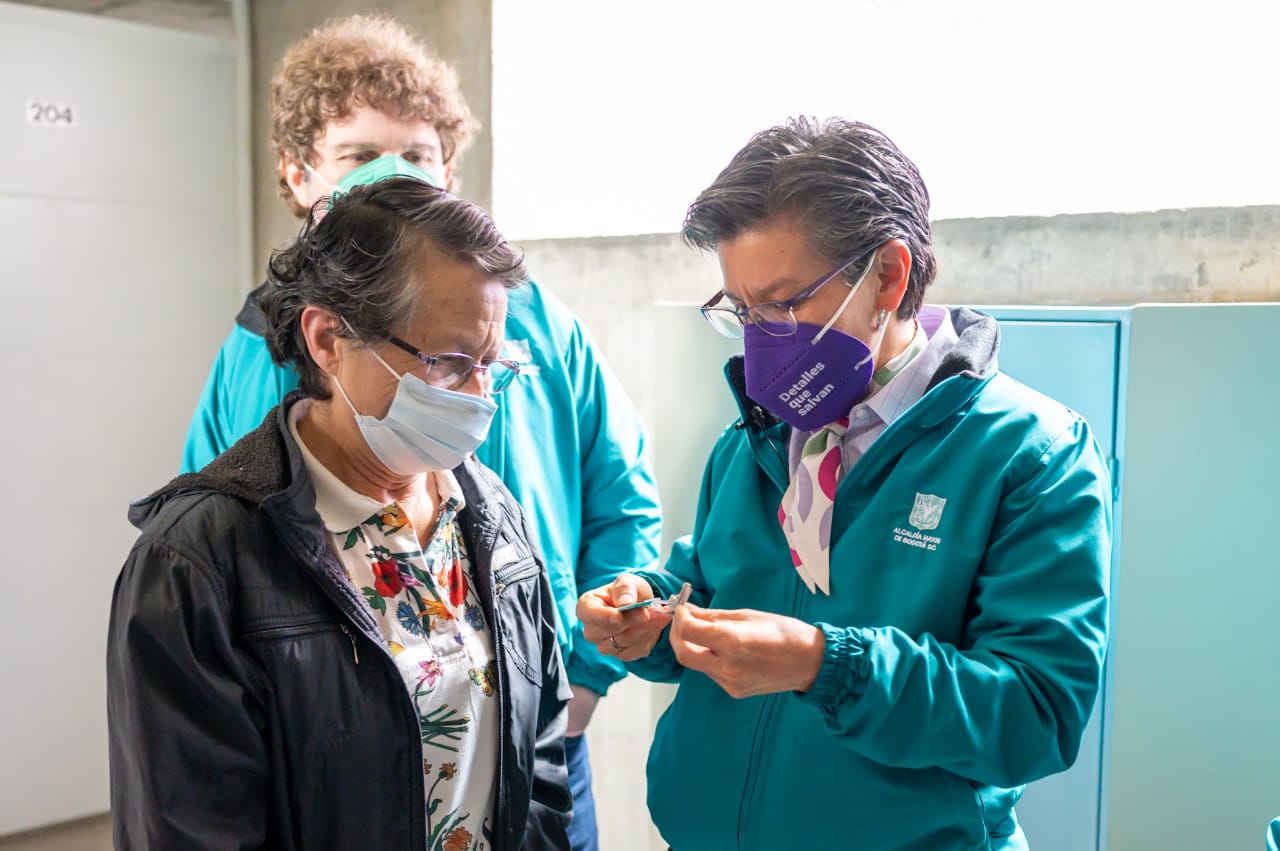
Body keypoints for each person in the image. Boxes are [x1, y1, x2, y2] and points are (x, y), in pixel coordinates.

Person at [179, 16, 661, 848]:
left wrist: (578, 685)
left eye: (420, 154)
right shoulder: (256, 348)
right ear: (299, 177)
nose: (395, 175)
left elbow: (625, 498)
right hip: (346, 765)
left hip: (533, 735)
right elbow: (210, 558)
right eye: (359, 156)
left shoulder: (539, 328)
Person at [578, 117, 1112, 849]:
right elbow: (707, 584)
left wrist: (826, 665)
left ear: (888, 276)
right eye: (742, 310)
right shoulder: (756, 437)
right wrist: (650, 614)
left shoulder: (1029, 455)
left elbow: (1035, 715)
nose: (761, 337)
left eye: (785, 303)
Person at [109, 179, 571, 849]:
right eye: (448, 363)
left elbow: (539, 767)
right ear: (328, 339)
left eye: (493, 365)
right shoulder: (197, 563)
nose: (479, 397)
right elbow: (190, 830)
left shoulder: (490, 513)